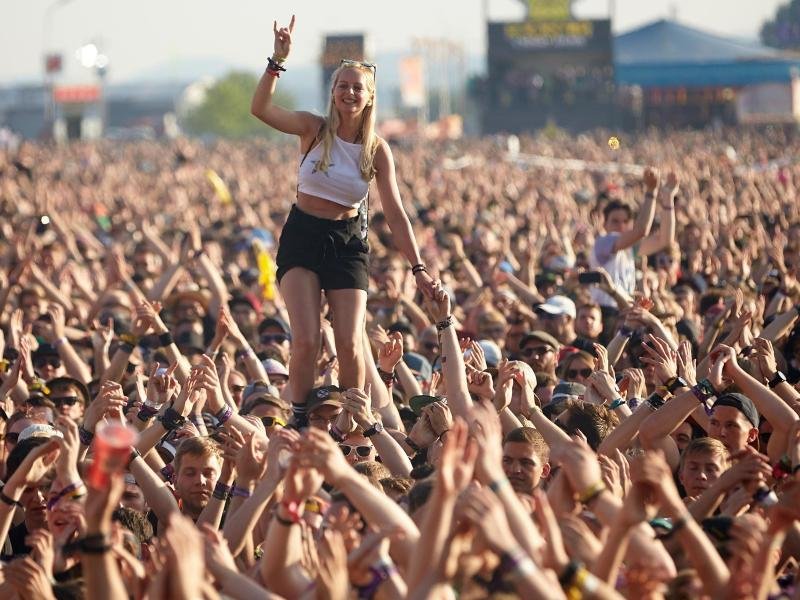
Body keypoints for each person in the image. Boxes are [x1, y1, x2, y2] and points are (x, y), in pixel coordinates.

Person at [250, 15, 435, 427]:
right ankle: (299, 418)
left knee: (351, 343)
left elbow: (396, 212)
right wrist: (276, 61)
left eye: (358, 88)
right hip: (303, 235)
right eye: (343, 86)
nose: (349, 93)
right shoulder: (312, 129)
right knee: (307, 339)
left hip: (348, 240)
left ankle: (353, 421)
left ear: (369, 98)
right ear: (333, 92)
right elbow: (260, 109)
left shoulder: (377, 150)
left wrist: (418, 267)